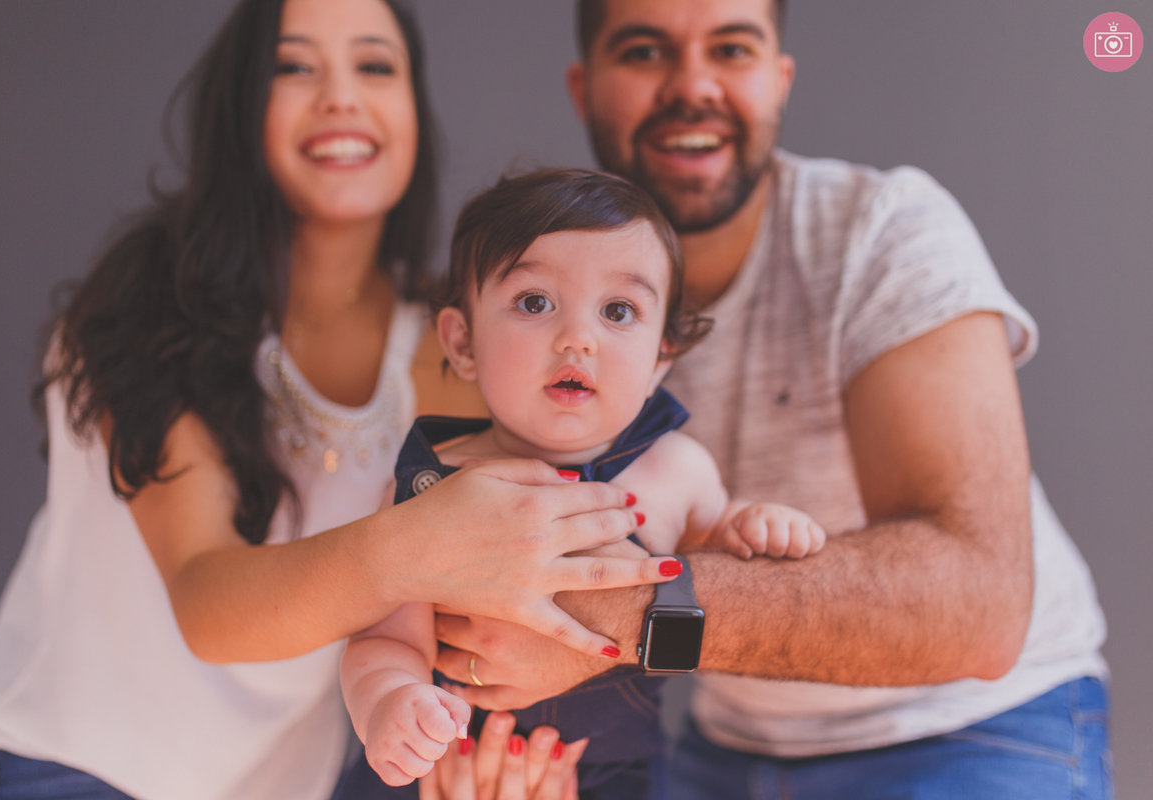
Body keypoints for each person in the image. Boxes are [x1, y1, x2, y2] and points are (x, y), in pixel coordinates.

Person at [0, 2, 683, 799]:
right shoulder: (142, 312)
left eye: (374, 66)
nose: (341, 97)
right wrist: (418, 541)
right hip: (82, 768)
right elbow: (209, 601)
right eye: (295, 66)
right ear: (241, 107)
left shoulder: (468, 352)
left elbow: (466, 615)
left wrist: (476, 754)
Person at [428, 1, 1111, 798]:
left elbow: (980, 605)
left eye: (732, 48)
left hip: (975, 724)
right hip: (722, 740)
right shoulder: (528, 283)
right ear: (585, 88)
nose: (693, 86)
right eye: (645, 51)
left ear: (779, 81)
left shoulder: (881, 232)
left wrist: (605, 623)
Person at [340, 169, 826, 799]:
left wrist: (753, 522)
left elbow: (718, 564)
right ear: (462, 342)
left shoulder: (677, 471)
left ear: (660, 359)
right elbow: (380, 640)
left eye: (619, 311)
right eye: (534, 302)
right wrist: (391, 703)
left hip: (614, 774)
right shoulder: (431, 489)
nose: (578, 338)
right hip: (446, 764)